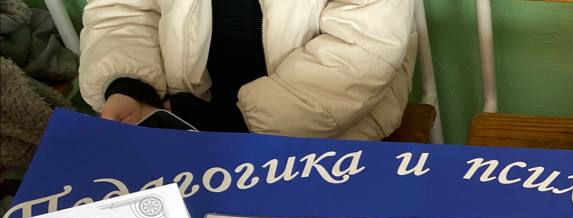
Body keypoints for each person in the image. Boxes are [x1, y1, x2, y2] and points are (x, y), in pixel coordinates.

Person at [78, 0, 415, 139]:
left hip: (327, 124)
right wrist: (129, 86)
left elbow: (363, 47)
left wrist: (236, 125)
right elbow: (123, 11)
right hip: (182, 118)